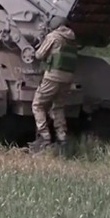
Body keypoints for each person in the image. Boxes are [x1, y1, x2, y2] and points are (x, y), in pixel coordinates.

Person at [30, 24, 78, 153]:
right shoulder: (72, 40)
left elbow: (39, 55)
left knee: (38, 105)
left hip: (53, 77)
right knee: (58, 107)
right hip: (67, 78)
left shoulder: (54, 37)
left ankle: (44, 137)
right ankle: (62, 139)